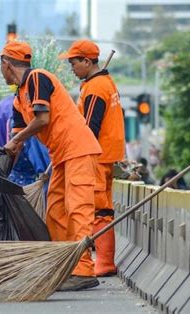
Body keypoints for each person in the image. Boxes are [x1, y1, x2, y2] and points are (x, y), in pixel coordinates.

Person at [0, 41, 102, 291]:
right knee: (55, 210)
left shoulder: (37, 78)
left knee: (78, 209)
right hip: (60, 156)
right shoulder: (18, 98)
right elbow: (15, 141)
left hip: (78, 149)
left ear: (7, 64)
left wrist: (17, 139)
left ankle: (83, 269)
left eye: (1, 65)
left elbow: (42, 119)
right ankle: (62, 265)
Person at [59, 39, 125, 277]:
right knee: (104, 210)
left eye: (74, 63)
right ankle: (105, 262)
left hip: (95, 157)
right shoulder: (104, 82)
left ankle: (103, 262)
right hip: (106, 156)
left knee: (96, 211)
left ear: (87, 61)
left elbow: (90, 127)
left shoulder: (96, 88)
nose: (71, 68)